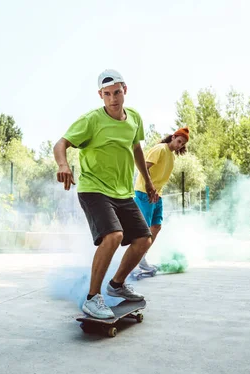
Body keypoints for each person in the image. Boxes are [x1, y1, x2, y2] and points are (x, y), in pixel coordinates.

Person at [53, 69, 158, 319]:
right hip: (94, 189)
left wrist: (149, 181)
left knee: (144, 240)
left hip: (123, 192)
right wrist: (63, 165)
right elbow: (61, 144)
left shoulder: (134, 118)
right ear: (100, 95)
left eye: (117, 92)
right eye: (107, 94)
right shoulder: (91, 120)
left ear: (125, 90)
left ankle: (117, 284)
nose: (113, 99)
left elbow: (137, 149)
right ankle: (92, 298)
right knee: (113, 236)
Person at [133, 128, 189, 272]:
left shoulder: (171, 155)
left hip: (157, 194)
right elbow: (144, 167)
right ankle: (132, 261)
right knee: (144, 229)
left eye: (182, 144)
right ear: (173, 137)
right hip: (145, 192)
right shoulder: (160, 149)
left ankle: (141, 257)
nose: (179, 146)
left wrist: (156, 191)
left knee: (156, 226)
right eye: (179, 141)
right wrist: (150, 187)